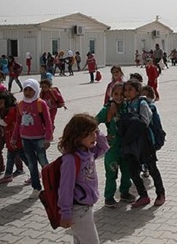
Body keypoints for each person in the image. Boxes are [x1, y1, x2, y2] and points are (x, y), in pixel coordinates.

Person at [57, 113, 109, 244]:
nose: (94, 136)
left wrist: (96, 129)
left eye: (94, 133)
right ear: (77, 136)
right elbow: (65, 188)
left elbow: (104, 147)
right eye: (89, 133)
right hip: (78, 210)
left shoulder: (88, 152)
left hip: (86, 207)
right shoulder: (71, 159)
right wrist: (66, 213)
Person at [119, 81, 165, 207]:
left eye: (130, 90)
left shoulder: (142, 103)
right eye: (125, 90)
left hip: (145, 143)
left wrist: (131, 121)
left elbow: (145, 121)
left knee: (152, 169)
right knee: (133, 171)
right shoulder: (127, 104)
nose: (127, 93)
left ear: (137, 91)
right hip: (132, 143)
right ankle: (143, 196)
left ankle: (160, 194)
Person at [10, 79, 53, 199]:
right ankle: (36, 188)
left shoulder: (41, 103)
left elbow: (48, 122)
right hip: (25, 138)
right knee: (31, 164)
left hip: (39, 138)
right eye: (26, 89)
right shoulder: (20, 104)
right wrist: (14, 138)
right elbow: (18, 123)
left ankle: (50, 186)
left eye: (31, 90)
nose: (28, 92)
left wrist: (48, 138)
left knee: (43, 162)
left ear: (36, 90)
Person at [96, 83, 135, 208]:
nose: (119, 97)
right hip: (112, 148)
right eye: (115, 94)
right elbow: (92, 123)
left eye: (121, 94)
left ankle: (124, 192)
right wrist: (102, 138)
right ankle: (109, 197)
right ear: (111, 95)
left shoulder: (128, 106)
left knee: (127, 171)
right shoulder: (107, 109)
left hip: (126, 147)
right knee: (111, 173)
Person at [0, 90, 28, 184]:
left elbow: (5, 123)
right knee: (11, 157)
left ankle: (35, 173)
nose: (0, 105)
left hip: (15, 138)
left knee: (24, 157)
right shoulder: (6, 109)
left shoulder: (12, 110)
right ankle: (8, 175)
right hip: (11, 138)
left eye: (1, 103)